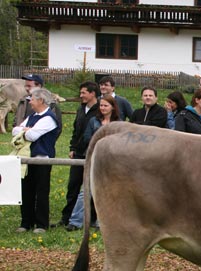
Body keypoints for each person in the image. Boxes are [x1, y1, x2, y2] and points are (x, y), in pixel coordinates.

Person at [66, 96, 121, 231]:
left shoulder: (118, 123)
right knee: (85, 190)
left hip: (111, 161)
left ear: (112, 107)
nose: (102, 108)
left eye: (105, 106)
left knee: (108, 192)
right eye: (101, 105)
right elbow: (87, 138)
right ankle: (75, 221)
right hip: (94, 158)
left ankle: (101, 222)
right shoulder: (93, 121)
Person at [12, 88, 61, 233]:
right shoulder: (33, 116)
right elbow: (15, 130)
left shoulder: (49, 118)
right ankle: (26, 222)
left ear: (41, 100)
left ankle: (41, 224)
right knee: (26, 190)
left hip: (42, 159)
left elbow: (32, 136)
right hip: (28, 158)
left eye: (32, 99)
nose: (30, 102)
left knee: (41, 192)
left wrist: (26, 130)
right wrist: (26, 129)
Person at [52, 81, 99, 228]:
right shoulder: (81, 109)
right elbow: (75, 130)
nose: (81, 95)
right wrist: (72, 147)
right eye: (81, 92)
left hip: (93, 154)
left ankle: (91, 218)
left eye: (84, 92)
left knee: (92, 188)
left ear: (92, 93)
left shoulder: (100, 110)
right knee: (73, 186)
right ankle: (67, 218)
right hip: (78, 153)